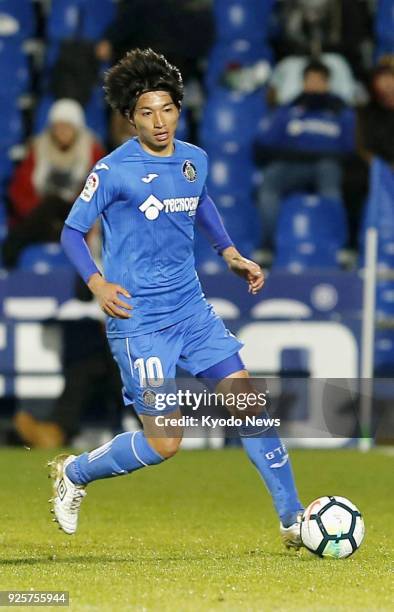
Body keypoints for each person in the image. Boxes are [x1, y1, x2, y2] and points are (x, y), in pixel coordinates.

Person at [49, 48, 304, 549]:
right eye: (146, 111)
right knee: (166, 443)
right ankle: (75, 472)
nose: (159, 121)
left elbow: (201, 202)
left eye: (167, 109)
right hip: (140, 321)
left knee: (248, 402)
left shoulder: (194, 160)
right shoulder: (113, 169)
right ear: (130, 118)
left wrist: (229, 251)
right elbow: (71, 232)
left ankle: (293, 519)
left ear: (179, 110)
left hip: (191, 309)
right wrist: (97, 282)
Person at [256, 60, 355, 249]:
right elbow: (267, 141)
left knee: (331, 188)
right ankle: (269, 245)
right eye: (311, 80)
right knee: (269, 182)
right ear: (304, 82)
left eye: (319, 80)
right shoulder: (289, 109)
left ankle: (338, 245)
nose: (314, 84)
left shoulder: (341, 112)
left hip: (326, 164)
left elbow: (349, 147)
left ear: (327, 83)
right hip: (291, 163)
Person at [2, 99, 105, 268]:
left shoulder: (92, 150)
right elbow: (19, 190)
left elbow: (100, 189)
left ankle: (13, 248)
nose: (62, 132)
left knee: (53, 202)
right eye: (58, 127)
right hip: (41, 216)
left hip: (76, 214)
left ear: (77, 128)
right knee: (50, 204)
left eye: (67, 127)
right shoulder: (38, 148)